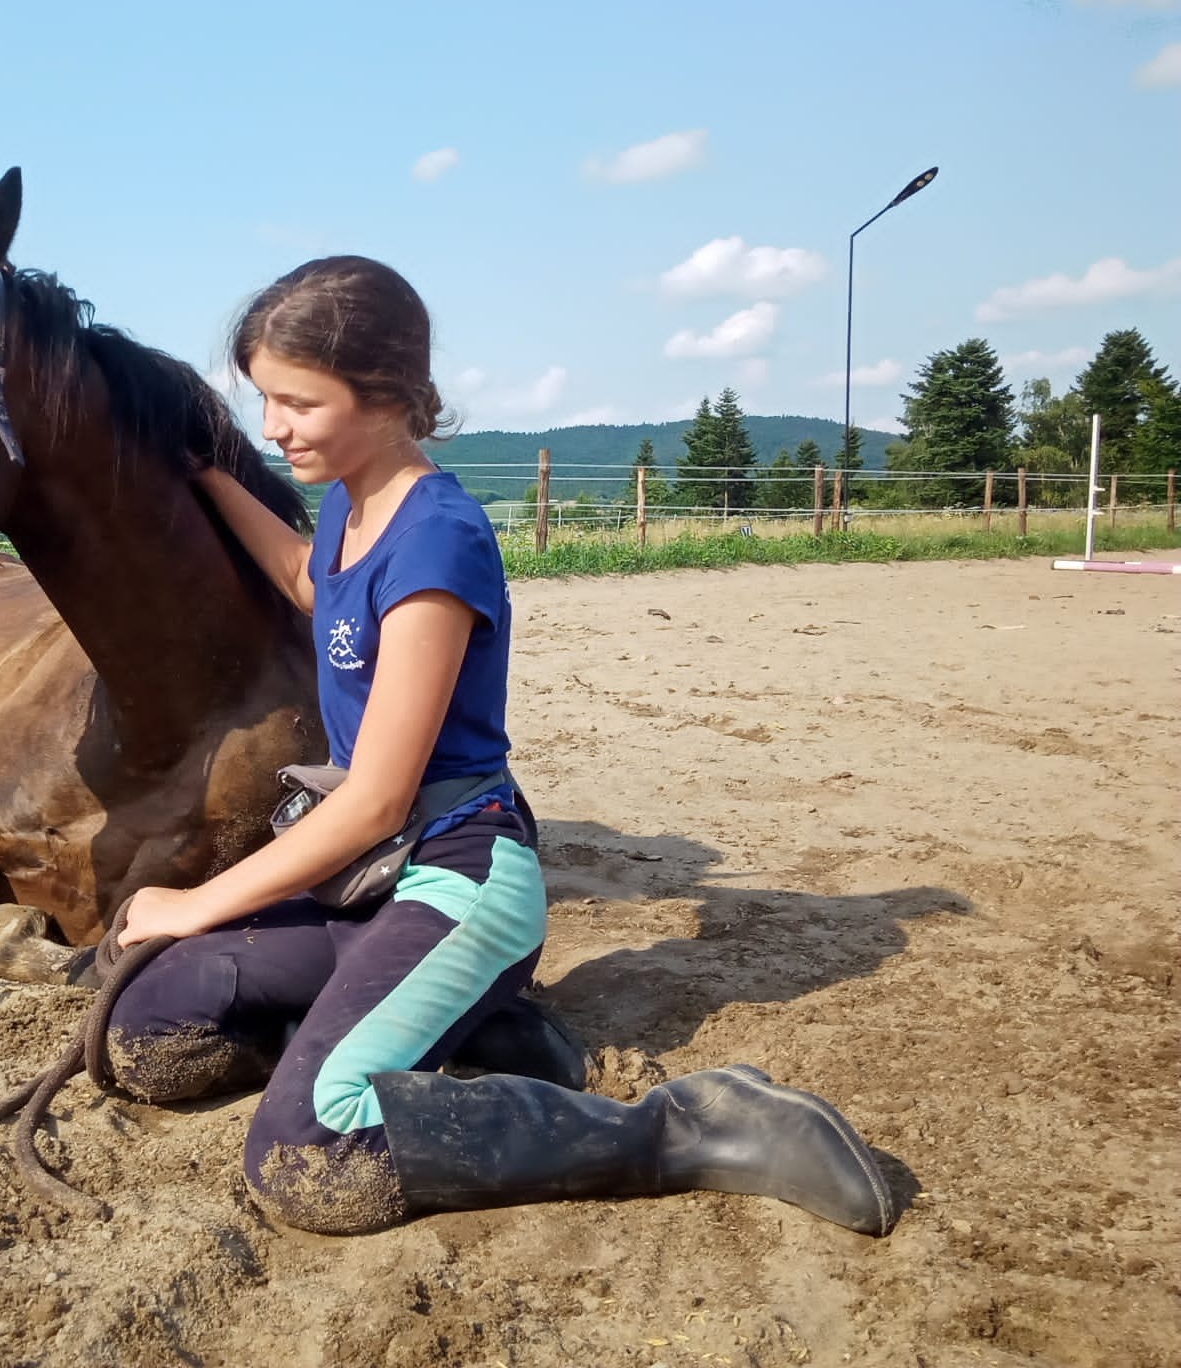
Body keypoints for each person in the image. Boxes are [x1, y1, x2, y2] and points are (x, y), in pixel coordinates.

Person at [107, 256, 892, 1239]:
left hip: (453, 876)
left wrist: (196, 904)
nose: (273, 427)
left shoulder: (438, 539)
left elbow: (376, 800)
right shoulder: (351, 499)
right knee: (146, 1023)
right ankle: (453, 1028)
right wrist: (210, 476)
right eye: (264, 400)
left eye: (298, 402)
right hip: (370, 887)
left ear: (388, 392)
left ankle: (689, 1129)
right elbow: (313, 582)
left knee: (309, 1155)